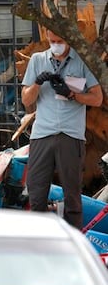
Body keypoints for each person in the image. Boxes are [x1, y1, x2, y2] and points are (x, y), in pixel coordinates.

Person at [21, 29, 103, 228]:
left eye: (60, 40)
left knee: (72, 194)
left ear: (69, 40)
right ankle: (40, 239)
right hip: (42, 134)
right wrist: (38, 83)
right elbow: (26, 99)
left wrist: (72, 94)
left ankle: (73, 241)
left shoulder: (82, 62)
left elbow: (97, 98)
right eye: (52, 40)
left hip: (70, 134)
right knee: (36, 192)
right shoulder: (38, 60)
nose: (55, 44)